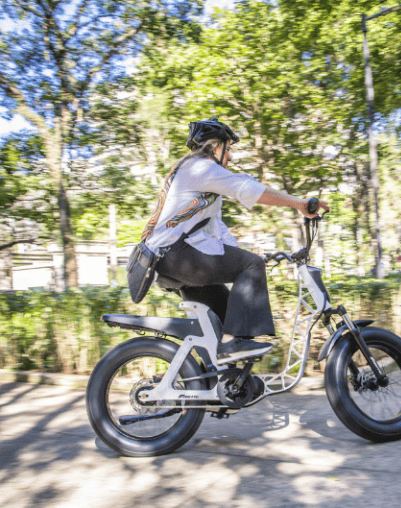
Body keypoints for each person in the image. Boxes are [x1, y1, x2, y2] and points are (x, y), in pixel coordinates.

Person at [141, 118, 329, 363]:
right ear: (215, 147)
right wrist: (299, 204)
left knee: (224, 319)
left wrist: (243, 261)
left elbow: (215, 230)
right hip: (175, 255)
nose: (229, 156)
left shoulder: (195, 177)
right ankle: (231, 347)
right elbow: (248, 187)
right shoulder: (201, 168)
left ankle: (212, 381)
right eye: (228, 149)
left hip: (170, 259)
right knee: (249, 271)